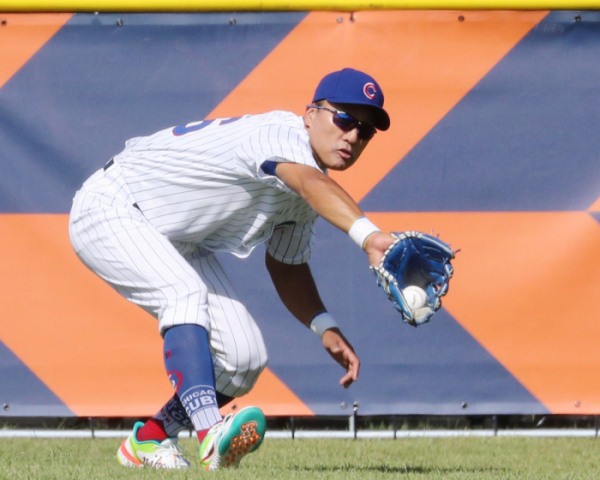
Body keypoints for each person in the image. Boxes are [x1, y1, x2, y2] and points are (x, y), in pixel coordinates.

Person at [69, 67, 396, 470]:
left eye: (365, 130)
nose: (352, 136)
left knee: (244, 358)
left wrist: (323, 326)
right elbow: (311, 184)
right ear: (310, 114)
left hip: (174, 236)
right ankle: (211, 433)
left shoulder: (312, 183)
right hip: (113, 205)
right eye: (344, 119)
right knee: (182, 294)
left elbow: (286, 263)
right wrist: (369, 235)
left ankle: (149, 440)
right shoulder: (282, 137)